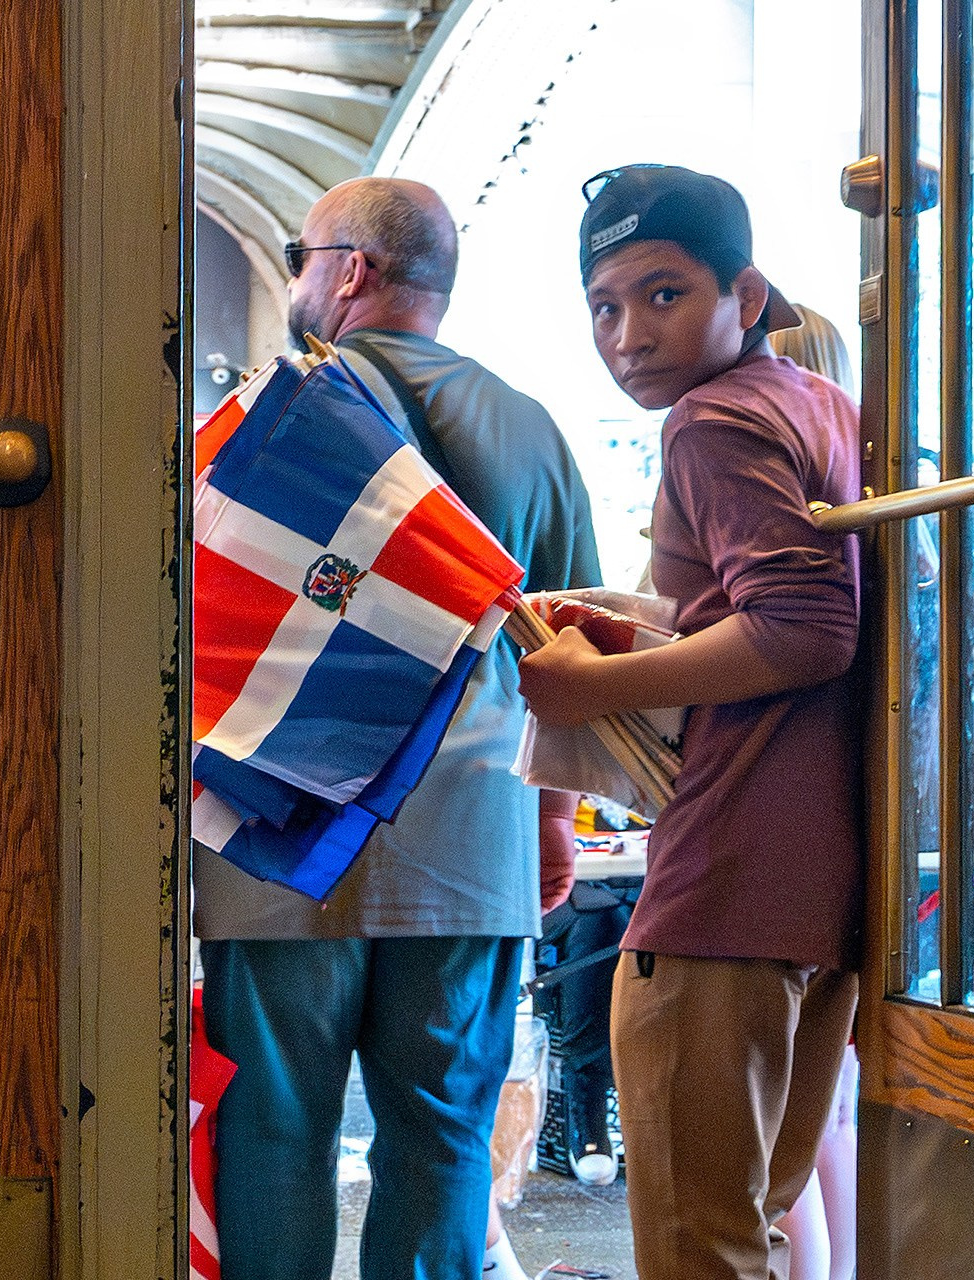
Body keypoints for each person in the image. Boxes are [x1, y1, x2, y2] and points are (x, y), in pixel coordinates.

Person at [195, 176, 601, 1280]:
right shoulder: (531, 429)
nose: (297, 278)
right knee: (442, 1138)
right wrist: (551, 824)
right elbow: (574, 660)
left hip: (277, 827)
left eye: (301, 255)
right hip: (470, 833)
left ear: (352, 270)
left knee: (273, 1132)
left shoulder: (265, 419)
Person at [519, 165, 864, 1280]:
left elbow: (807, 629)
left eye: (664, 294)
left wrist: (589, 687)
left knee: (698, 1249)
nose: (629, 336)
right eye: (604, 307)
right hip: (817, 885)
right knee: (752, 1227)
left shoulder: (710, 420)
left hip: (725, 874)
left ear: (744, 295)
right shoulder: (817, 401)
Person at [766, 306, 860, 1280]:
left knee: (782, 1131)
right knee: (829, 1107)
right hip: (863, 839)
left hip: (778, 837)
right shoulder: (875, 506)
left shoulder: (783, 519)